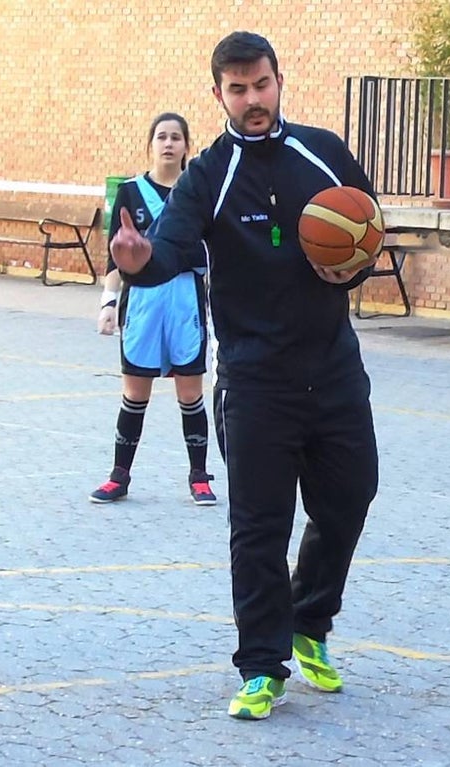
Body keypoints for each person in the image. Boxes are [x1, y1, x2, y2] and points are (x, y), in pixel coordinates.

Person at [109, 32, 381, 720]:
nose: (252, 99)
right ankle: (261, 666)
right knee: (260, 526)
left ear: (278, 81)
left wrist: (352, 268)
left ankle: (309, 620)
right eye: (238, 90)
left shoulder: (324, 152)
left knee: (351, 497)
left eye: (261, 84)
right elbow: (169, 251)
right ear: (219, 95)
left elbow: (368, 233)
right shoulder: (208, 175)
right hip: (256, 380)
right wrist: (137, 262)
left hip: (334, 369)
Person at [89, 112, 216, 507]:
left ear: (187, 146)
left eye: (176, 137)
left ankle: (199, 477)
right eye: (161, 136)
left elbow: (215, 251)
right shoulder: (131, 192)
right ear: (150, 145)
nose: (169, 143)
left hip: (184, 296)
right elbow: (115, 256)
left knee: (190, 391)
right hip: (142, 299)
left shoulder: (198, 193)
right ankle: (119, 475)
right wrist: (108, 303)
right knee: (134, 391)